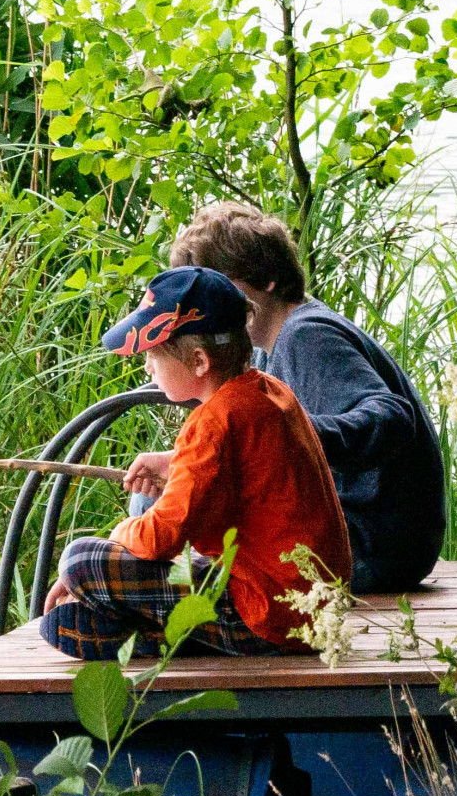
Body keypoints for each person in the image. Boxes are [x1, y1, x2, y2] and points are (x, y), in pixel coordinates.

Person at [125, 203, 446, 594]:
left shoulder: (305, 335)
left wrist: (287, 435)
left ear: (268, 279)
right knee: (165, 496)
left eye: (223, 285)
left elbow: (392, 418)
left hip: (374, 544)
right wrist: (186, 461)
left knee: (159, 513)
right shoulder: (261, 347)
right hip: (362, 537)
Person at [40, 266, 353, 660]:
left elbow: (162, 537)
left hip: (266, 616)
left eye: (153, 354)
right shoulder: (270, 392)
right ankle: (162, 634)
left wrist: (118, 535)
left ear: (200, 361)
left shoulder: (213, 422)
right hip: (312, 610)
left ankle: (157, 635)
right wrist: (176, 463)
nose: (147, 367)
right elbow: (249, 472)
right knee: (60, 622)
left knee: (81, 560)